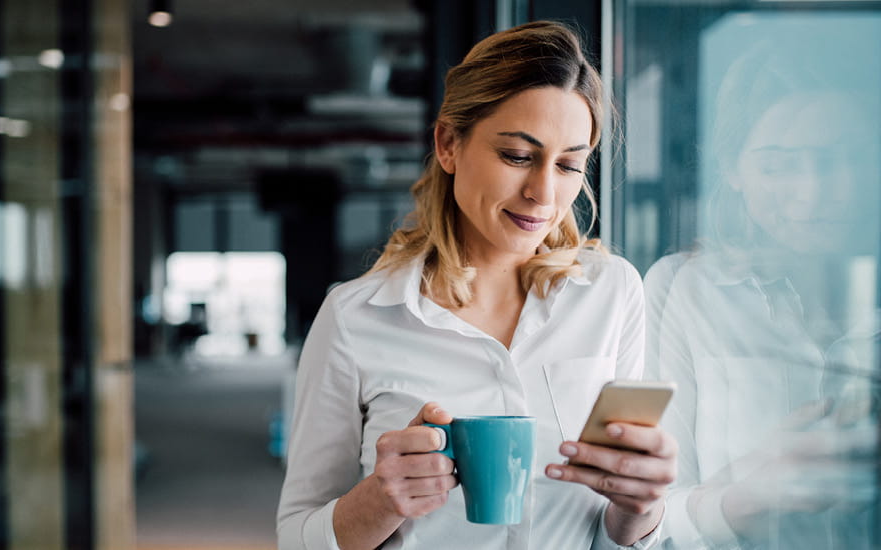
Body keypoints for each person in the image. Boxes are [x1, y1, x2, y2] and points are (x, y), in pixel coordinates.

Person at [277, 21, 677, 550]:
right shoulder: (355, 318)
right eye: (517, 156)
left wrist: (641, 506)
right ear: (448, 144)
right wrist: (381, 498)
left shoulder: (611, 292)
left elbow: (615, 533)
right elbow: (296, 535)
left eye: (569, 165)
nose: (543, 193)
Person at [643, 19, 880, 549]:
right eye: (778, 167)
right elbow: (647, 524)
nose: (813, 193)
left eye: (841, 159)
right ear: (732, 170)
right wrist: (754, 492)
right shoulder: (684, 291)